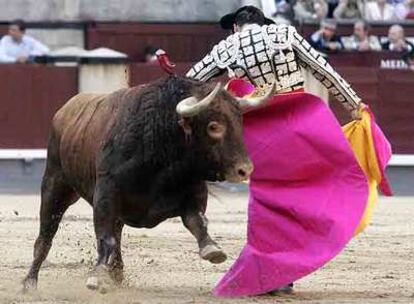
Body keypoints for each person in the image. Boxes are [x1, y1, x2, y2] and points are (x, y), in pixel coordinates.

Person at [186, 5, 380, 298]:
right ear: (262, 23)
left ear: (236, 27)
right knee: (304, 193)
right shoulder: (285, 34)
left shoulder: (226, 47)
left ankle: (272, 270)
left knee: (268, 201)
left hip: (258, 133)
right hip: (299, 124)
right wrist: (355, 106)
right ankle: (289, 268)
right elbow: (324, 71)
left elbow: (190, 80)